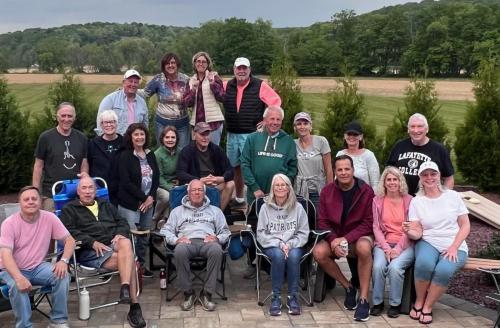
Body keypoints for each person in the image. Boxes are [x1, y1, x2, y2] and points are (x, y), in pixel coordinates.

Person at [60, 177, 146, 328]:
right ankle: (134, 306)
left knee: (125, 241)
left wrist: (120, 233)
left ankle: (124, 287)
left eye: (90, 188)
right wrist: (91, 242)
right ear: (78, 191)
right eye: (84, 188)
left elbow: (122, 221)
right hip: (89, 251)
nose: (87, 191)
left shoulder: (106, 204)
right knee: (129, 260)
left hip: (113, 242)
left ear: (95, 191)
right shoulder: (69, 209)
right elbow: (68, 232)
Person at [0, 186, 76, 328]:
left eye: (34, 199)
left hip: (37, 266)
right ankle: (24, 326)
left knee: (62, 275)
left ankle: (58, 321)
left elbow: (70, 241)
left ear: (40, 202)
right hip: (11, 269)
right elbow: (5, 255)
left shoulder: (50, 218)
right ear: (20, 203)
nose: (30, 202)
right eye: (26, 199)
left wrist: (64, 261)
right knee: (18, 286)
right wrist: (18, 277)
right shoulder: (9, 224)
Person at [405, 161, 470, 325]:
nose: (429, 177)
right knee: (424, 264)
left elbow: (465, 225)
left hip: (454, 243)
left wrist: (454, 246)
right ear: (420, 178)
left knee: (444, 269)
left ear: (439, 175)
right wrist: (408, 231)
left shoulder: (453, 196)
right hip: (428, 241)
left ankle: (427, 306)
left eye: (433, 174)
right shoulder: (417, 201)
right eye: (425, 175)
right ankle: (419, 301)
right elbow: (417, 232)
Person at [313, 155, 374, 322]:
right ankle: (348, 287)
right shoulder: (327, 191)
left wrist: (345, 239)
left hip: (358, 237)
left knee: (364, 248)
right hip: (334, 237)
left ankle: (363, 299)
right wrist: (333, 239)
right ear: (335, 172)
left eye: (347, 169)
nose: (343, 172)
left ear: (353, 170)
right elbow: (322, 220)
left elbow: (369, 222)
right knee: (318, 252)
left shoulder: (366, 191)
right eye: (339, 169)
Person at [160, 179, 231, 312]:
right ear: (188, 193)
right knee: (179, 251)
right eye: (194, 190)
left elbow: (225, 231)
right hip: (186, 242)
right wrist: (176, 240)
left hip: (208, 241)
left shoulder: (215, 211)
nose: (197, 192)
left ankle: (207, 294)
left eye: (200, 190)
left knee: (217, 250)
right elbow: (165, 230)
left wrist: (217, 238)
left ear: (205, 193)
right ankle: (188, 293)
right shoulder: (177, 211)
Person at [223, 57, 281, 207]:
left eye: (244, 68)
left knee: (251, 167)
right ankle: (240, 198)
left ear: (249, 70)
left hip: (251, 134)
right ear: (234, 70)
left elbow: (275, 101)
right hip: (232, 132)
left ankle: (255, 199)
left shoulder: (260, 85)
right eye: (238, 68)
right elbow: (213, 91)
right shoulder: (227, 85)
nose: (241, 71)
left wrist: (266, 120)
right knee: (235, 166)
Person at [257, 174, 309, 316]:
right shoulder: (265, 208)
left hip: (294, 244)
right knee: (279, 256)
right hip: (272, 245)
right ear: (273, 188)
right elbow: (261, 233)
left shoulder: (298, 208)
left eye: (283, 185)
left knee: (293, 257)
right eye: (277, 185)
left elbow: (304, 232)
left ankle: (293, 298)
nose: (280, 187)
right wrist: (279, 244)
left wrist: (290, 244)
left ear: (288, 188)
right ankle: (276, 298)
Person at [117, 123, 160, 278]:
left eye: (142, 134)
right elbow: (125, 182)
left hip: (148, 203)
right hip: (130, 203)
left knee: (144, 235)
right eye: (136, 134)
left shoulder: (150, 154)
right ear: (130, 137)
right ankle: (129, 267)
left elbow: (156, 179)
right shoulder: (125, 156)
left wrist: (151, 198)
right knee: (131, 237)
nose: (139, 137)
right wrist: (143, 198)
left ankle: (141, 265)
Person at [371, 166, 414, 318]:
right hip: (384, 244)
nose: (392, 182)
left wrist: (398, 249)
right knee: (378, 267)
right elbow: (376, 227)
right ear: (384, 182)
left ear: (400, 181)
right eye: (388, 179)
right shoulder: (377, 201)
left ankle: (395, 304)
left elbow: (409, 228)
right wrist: (386, 248)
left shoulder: (409, 201)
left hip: (406, 245)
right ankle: (377, 303)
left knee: (395, 268)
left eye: (395, 179)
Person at [33, 102, 89, 211]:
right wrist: (35, 192)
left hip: (75, 193)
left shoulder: (82, 138)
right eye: (63, 116)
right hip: (52, 194)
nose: (66, 119)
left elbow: (84, 163)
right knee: (50, 225)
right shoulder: (45, 138)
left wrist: (85, 177)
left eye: (70, 116)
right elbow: (38, 166)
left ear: (75, 118)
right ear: (57, 116)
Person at [241, 106, 297, 205]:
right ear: (265, 120)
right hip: (256, 194)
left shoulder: (289, 142)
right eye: (272, 118)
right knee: (255, 220)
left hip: (280, 197)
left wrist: (283, 189)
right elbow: (245, 164)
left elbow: (292, 168)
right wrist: (254, 188)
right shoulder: (252, 139)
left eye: (278, 119)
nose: (275, 122)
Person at [386, 113, 454, 195]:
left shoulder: (439, 149)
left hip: (426, 201)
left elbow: (448, 178)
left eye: (420, 126)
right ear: (408, 129)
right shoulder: (399, 146)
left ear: (427, 129)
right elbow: (388, 172)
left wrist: (444, 198)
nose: (416, 130)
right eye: (412, 126)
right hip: (400, 200)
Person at [177, 122, 235, 211]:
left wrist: (221, 178)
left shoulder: (216, 149)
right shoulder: (187, 151)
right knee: (194, 187)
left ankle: (218, 214)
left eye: (207, 134)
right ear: (194, 135)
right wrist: (199, 180)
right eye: (202, 134)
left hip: (214, 183)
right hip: (197, 184)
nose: (205, 137)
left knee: (230, 184)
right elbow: (181, 173)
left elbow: (230, 170)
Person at [141, 53, 190, 148]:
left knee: (183, 151)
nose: (170, 65)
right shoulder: (158, 79)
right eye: (167, 63)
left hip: (182, 123)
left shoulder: (185, 79)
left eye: (173, 63)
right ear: (164, 65)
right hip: (162, 123)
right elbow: (145, 93)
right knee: (163, 151)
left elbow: (195, 94)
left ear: (177, 64)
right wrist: (127, 90)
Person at [183, 51, 225, 145]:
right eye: (198, 61)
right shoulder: (190, 81)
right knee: (198, 154)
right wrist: (193, 90)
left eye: (203, 62)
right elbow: (187, 103)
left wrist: (212, 84)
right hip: (197, 123)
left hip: (213, 123)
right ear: (194, 63)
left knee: (213, 153)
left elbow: (222, 97)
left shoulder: (214, 77)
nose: (200, 64)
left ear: (208, 64)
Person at [293, 112, 333, 206]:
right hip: (300, 191)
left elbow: (329, 168)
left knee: (319, 218)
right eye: (299, 124)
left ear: (310, 126)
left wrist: (330, 190)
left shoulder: (321, 141)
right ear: (295, 127)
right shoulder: (292, 144)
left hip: (318, 190)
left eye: (305, 123)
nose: (302, 127)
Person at [96, 69, 149, 136]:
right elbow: (100, 122)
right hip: (115, 141)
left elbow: (145, 126)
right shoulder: (110, 100)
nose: (133, 84)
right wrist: (104, 141)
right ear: (123, 82)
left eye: (136, 82)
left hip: (135, 142)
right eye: (130, 81)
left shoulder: (142, 103)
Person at [88, 109, 123, 203]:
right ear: (101, 125)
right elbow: (89, 165)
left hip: (121, 192)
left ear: (116, 123)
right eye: (105, 122)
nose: (109, 125)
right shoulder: (93, 144)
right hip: (100, 191)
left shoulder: (125, 143)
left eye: (112, 122)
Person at [336, 121, 380, 190]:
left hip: (364, 197)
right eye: (349, 134)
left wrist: (373, 199)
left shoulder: (369, 155)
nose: (351, 137)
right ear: (344, 136)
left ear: (361, 137)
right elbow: (336, 179)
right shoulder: (340, 154)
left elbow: (375, 183)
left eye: (355, 134)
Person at [153, 126, 179, 227]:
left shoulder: (180, 152)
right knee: (167, 196)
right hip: (159, 185)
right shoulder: (157, 154)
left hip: (174, 183)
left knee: (179, 193)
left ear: (177, 139)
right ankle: (155, 218)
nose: (170, 140)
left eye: (173, 137)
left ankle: (165, 220)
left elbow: (181, 170)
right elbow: (159, 177)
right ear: (162, 139)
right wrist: (171, 188)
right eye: (167, 137)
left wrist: (178, 180)